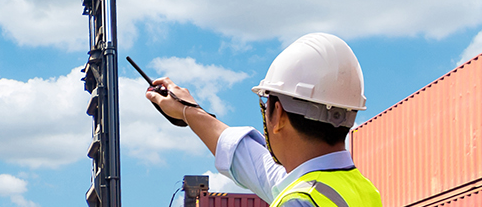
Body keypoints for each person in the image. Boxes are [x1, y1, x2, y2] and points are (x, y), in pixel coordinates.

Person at [144, 33, 382, 207]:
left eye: (265, 104)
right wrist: (188, 111)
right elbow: (253, 163)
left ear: (277, 113)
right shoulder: (362, 191)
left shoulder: (299, 201)